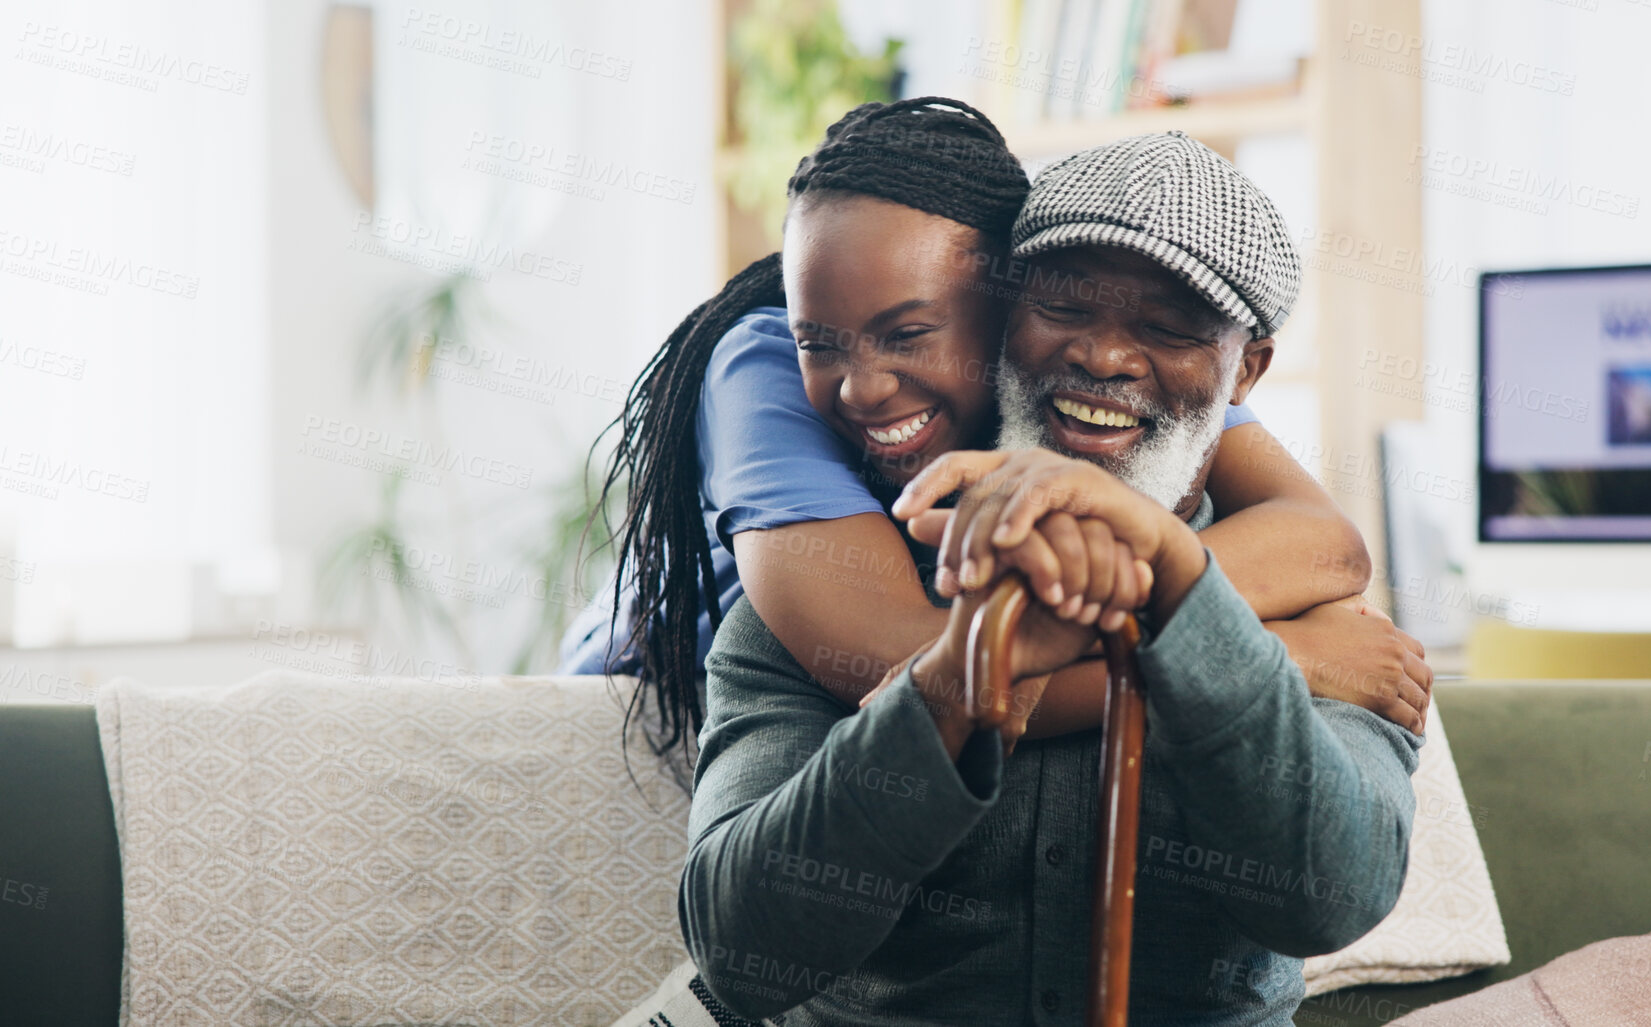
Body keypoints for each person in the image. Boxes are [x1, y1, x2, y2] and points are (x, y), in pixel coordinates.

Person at [680, 131, 1421, 1025]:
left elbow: (1330, 896)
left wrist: (1179, 595)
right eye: (1064, 309)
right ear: (1001, 323)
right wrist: (962, 679)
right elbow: (740, 952)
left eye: (1167, 328)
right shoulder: (823, 591)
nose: (1103, 358)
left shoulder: (1316, 607)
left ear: (1245, 372)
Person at [561, 98, 1429, 776]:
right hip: (649, 683)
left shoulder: (1095, 362)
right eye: (824, 341)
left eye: (910, 334)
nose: (862, 382)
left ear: (1006, 300)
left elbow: (1322, 544)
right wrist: (1269, 662)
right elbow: (902, 672)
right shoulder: (764, 362)